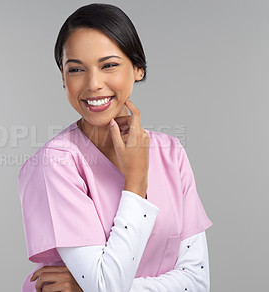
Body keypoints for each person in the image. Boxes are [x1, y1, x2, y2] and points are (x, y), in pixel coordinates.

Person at [18, 3, 213, 292]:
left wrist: (92, 287)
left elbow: (197, 282)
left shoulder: (171, 152)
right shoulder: (57, 162)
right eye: (76, 69)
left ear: (137, 68)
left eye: (108, 65)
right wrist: (135, 183)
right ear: (63, 78)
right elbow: (105, 286)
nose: (93, 83)